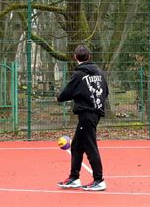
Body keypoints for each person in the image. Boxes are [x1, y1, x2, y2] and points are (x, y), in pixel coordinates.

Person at [56, 45, 109, 191]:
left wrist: (59, 97)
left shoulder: (79, 74)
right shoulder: (99, 72)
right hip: (95, 112)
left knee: (90, 146)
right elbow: (106, 91)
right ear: (90, 56)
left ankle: (99, 180)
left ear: (75, 57)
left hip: (86, 114)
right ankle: (74, 178)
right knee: (76, 146)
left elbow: (67, 92)